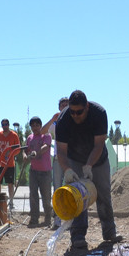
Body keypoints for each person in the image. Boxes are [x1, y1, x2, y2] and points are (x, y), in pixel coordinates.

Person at [55, 90, 121, 249]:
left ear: (87, 107)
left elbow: (99, 145)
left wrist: (89, 165)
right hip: (74, 159)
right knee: (77, 197)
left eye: (79, 112)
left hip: (98, 160)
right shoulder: (63, 120)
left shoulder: (99, 114)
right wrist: (68, 170)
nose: (75, 115)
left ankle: (109, 232)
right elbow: (61, 152)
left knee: (104, 194)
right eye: (72, 111)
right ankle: (77, 236)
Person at [26, 116, 53, 227]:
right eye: (33, 125)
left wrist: (36, 152)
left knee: (46, 196)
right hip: (33, 171)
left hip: (45, 172)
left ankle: (47, 218)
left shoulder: (46, 135)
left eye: (37, 125)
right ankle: (34, 218)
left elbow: (46, 147)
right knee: (33, 195)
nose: (35, 127)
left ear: (41, 126)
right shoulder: (29, 138)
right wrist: (24, 156)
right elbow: (26, 150)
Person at [46, 96, 69, 227]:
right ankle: (57, 219)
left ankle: (71, 219)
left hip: (71, 159)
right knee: (57, 189)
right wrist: (53, 119)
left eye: (67, 105)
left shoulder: (75, 121)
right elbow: (44, 131)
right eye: (62, 105)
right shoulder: (55, 124)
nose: (64, 107)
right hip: (58, 159)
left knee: (71, 188)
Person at [0, 119, 21, 208]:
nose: (4, 126)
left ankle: (11, 202)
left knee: (10, 184)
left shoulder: (14, 135)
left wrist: (11, 154)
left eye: (6, 124)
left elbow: (18, 149)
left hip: (9, 165)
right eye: (3, 124)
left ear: (8, 125)